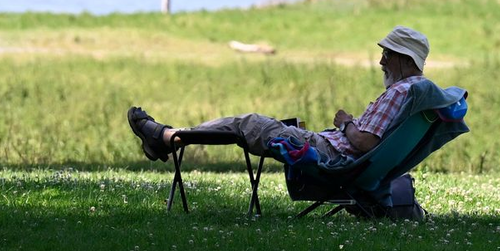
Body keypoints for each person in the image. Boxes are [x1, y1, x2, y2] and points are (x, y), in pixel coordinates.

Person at [127, 25, 431, 164]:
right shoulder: (413, 92)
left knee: (246, 124)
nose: (381, 62)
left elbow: (365, 142)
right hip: (327, 148)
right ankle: (169, 138)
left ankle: (167, 137)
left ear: (405, 59)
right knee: (260, 125)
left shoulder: (399, 92)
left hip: (328, 154)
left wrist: (345, 123)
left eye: (387, 55)